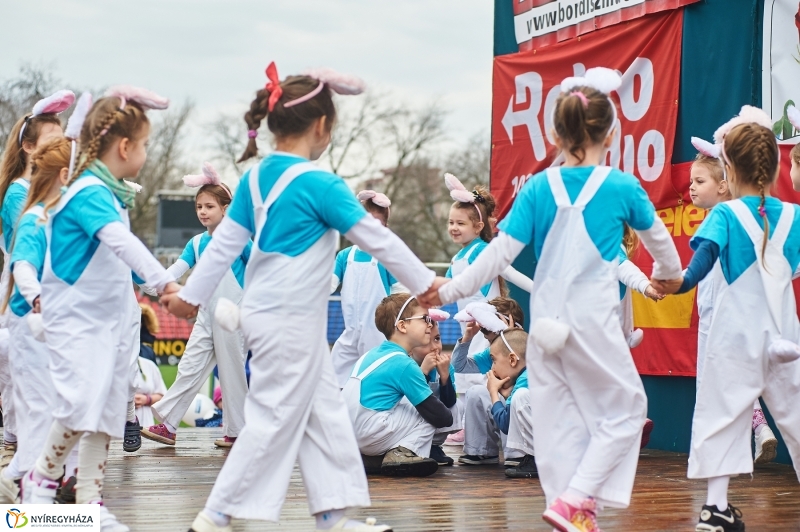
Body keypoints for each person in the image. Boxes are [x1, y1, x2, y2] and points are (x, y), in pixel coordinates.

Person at [160, 62, 436, 532]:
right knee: (269, 419)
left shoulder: (253, 179)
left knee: (325, 413)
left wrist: (192, 294)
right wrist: (425, 281)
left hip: (274, 318)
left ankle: (332, 516)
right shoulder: (319, 183)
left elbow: (225, 243)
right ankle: (215, 514)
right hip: (288, 321)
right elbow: (376, 238)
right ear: (322, 126)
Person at [420, 67, 682, 532]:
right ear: (612, 128)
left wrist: (449, 288)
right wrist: (665, 279)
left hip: (544, 326)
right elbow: (662, 249)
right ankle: (577, 499)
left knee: (557, 419)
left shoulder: (539, 187)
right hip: (591, 323)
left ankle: (574, 510)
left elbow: (496, 255)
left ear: (556, 134)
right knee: (627, 410)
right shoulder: (621, 186)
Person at [20, 86, 178, 532]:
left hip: (109, 323)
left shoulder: (108, 193)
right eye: (145, 144)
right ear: (124, 146)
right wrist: (166, 282)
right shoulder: (89, 191)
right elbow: (122, 244)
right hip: (77, 324)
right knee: (80, 403)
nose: (145, 152)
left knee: (108, 410)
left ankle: (89, 500)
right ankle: (40, 485)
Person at [654, 107, 800, 532]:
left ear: (729, 170)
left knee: (723, 414)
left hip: (734, 336)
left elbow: (697, 268)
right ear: (775, 168)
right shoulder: (794, 217)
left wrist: (675, 284)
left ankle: (715, 508)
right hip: (783, 334)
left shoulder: (725, 215)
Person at [142, 162, 249, 449]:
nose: (202, 211)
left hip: (234, 317)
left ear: (225, 208)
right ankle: (168, 426)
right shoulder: (197, 242)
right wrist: (152, 281)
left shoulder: (241, 239)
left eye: (209, 206)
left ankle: (238, 432)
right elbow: (176, 270)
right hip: (205, 316)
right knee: (188, 368)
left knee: (232, 374)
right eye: (199, 206)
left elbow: (262, 269)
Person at [0, 89, 73, 458]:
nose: (62, 148)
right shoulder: (19, 195)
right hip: (24, 292)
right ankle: (19, 451)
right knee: (21, 374)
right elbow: (30, 250)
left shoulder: (52, 192)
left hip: (49, 294)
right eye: (52, 142)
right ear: (29, 148)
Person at [443, 174, 532, 395]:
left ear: (478, 226)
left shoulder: (483, 250)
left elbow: (510, 273)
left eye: (460, 223)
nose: (454, 227)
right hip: (468, 329)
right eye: (451, 222)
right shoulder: (456, 259)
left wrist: (539, 289)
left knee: (482, 376)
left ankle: (485, 418)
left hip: (486, 330)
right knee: (463, 372)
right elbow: (443, 289)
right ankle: (467, 423)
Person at [344, 294, 452, 477]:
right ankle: (401, 453)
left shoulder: (372, 354)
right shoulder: (405, 364)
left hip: (349, 435)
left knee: (410, 403)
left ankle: (371, 458)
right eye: (424, 319)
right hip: (370, 432)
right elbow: (442, 418)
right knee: (428, 411)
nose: (429, 324)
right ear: (402, 326)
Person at [330, 190, 406, 387]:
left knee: (374, 381)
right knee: (333, 379)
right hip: (350, 333)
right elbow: (327, 284)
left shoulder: (387, 255)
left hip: (378, 335)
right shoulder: (345, 256)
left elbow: (402, 295)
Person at [407, 309, 460, 467]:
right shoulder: (406, 364)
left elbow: (449, 402)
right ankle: (410, 447)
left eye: (437, 339)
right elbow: (407, 401)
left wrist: (444, 377)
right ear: (410, 348)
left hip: (433, 420)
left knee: (458, 406)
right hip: (408, 421)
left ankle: (433, 446)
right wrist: (423, 372)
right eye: (426, 342)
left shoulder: (445, 366)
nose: (434, 347)